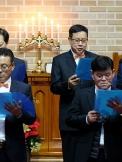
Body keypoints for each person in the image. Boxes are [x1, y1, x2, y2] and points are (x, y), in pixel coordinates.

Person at [65, 55, 122, 162]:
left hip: (114, 152)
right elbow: (69, 119)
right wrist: (86, 119)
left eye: (107, 75)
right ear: (92, 74)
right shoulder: (81, 94)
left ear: (113, 73)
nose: (103, 79)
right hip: (87, 152)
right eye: (99, 75)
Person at [50, 24, 97, 162]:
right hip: (69, 114)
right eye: (77, 40)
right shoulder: (59, 60)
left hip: (90, 114)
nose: (80, 44)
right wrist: (68, 85)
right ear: (69, 40)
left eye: (83, 40)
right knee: (70, 156)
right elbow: (54, 87)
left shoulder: (95, 59)